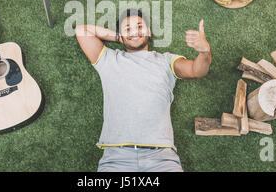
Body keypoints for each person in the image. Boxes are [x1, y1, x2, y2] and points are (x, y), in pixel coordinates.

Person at [75, 9, 212, 172]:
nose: (134, 31)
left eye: (140, 26)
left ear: (150, 32)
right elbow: (81, 30)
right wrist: (120, 37)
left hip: (162, 158)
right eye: (128, 29)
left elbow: (198, 71)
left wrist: (204, 52)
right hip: (116, 159)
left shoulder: (166, 61)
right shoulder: (109, 60)